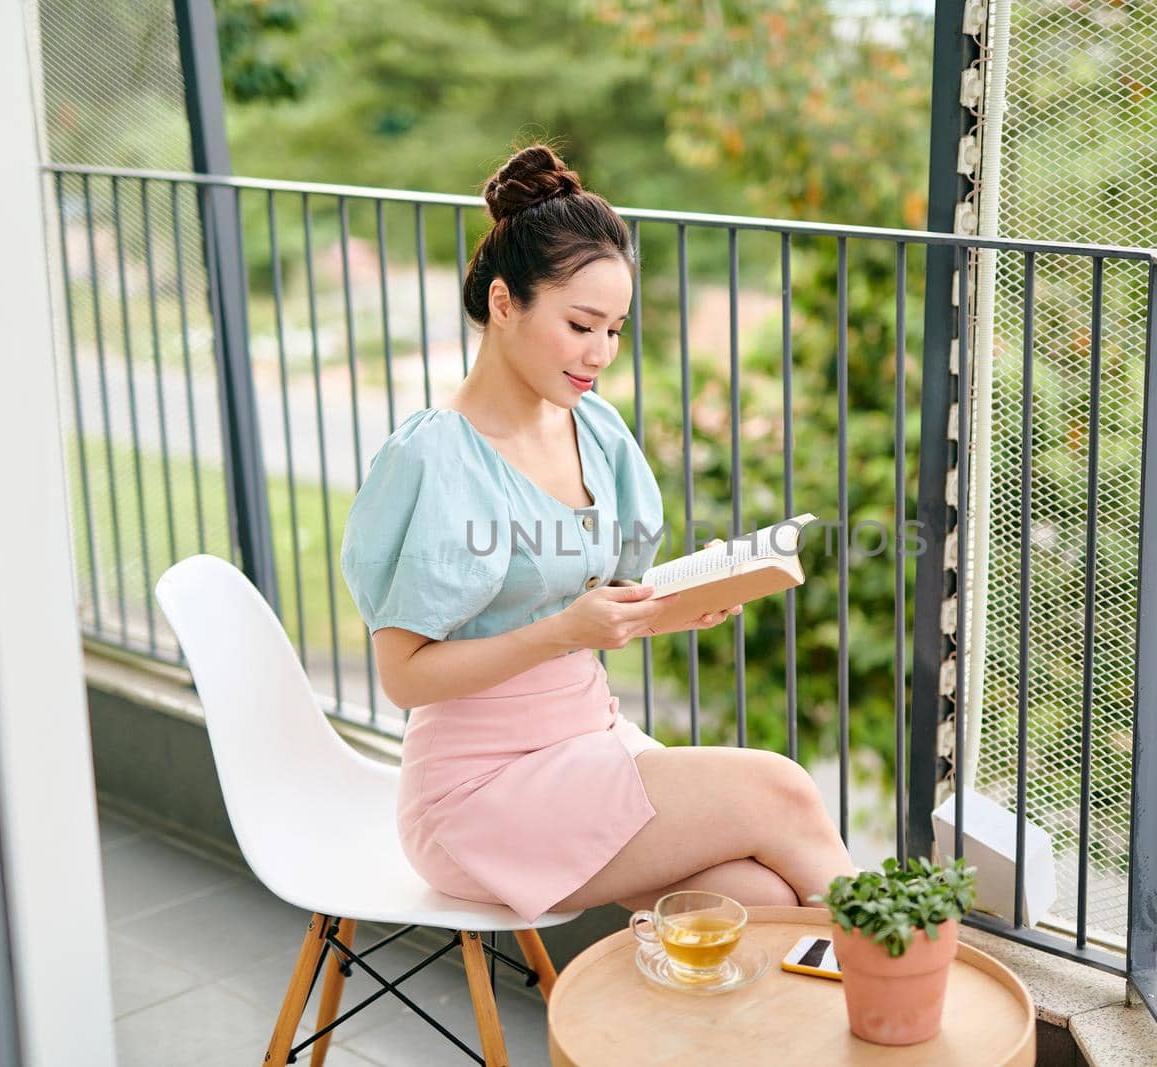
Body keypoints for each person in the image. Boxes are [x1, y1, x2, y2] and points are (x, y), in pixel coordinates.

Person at [340, 144, 855, 925]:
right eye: (581, 325)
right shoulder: (432, 458)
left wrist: (684, 600)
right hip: (477, 792)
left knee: (756, 902)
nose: (601, 354)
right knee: (779, 788)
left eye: (614, 329)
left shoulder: (596, 431)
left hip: (587, 741)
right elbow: (405, 677)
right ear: (506, 304)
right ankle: (901, 973)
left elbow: (598, 613)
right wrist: (562, 632)